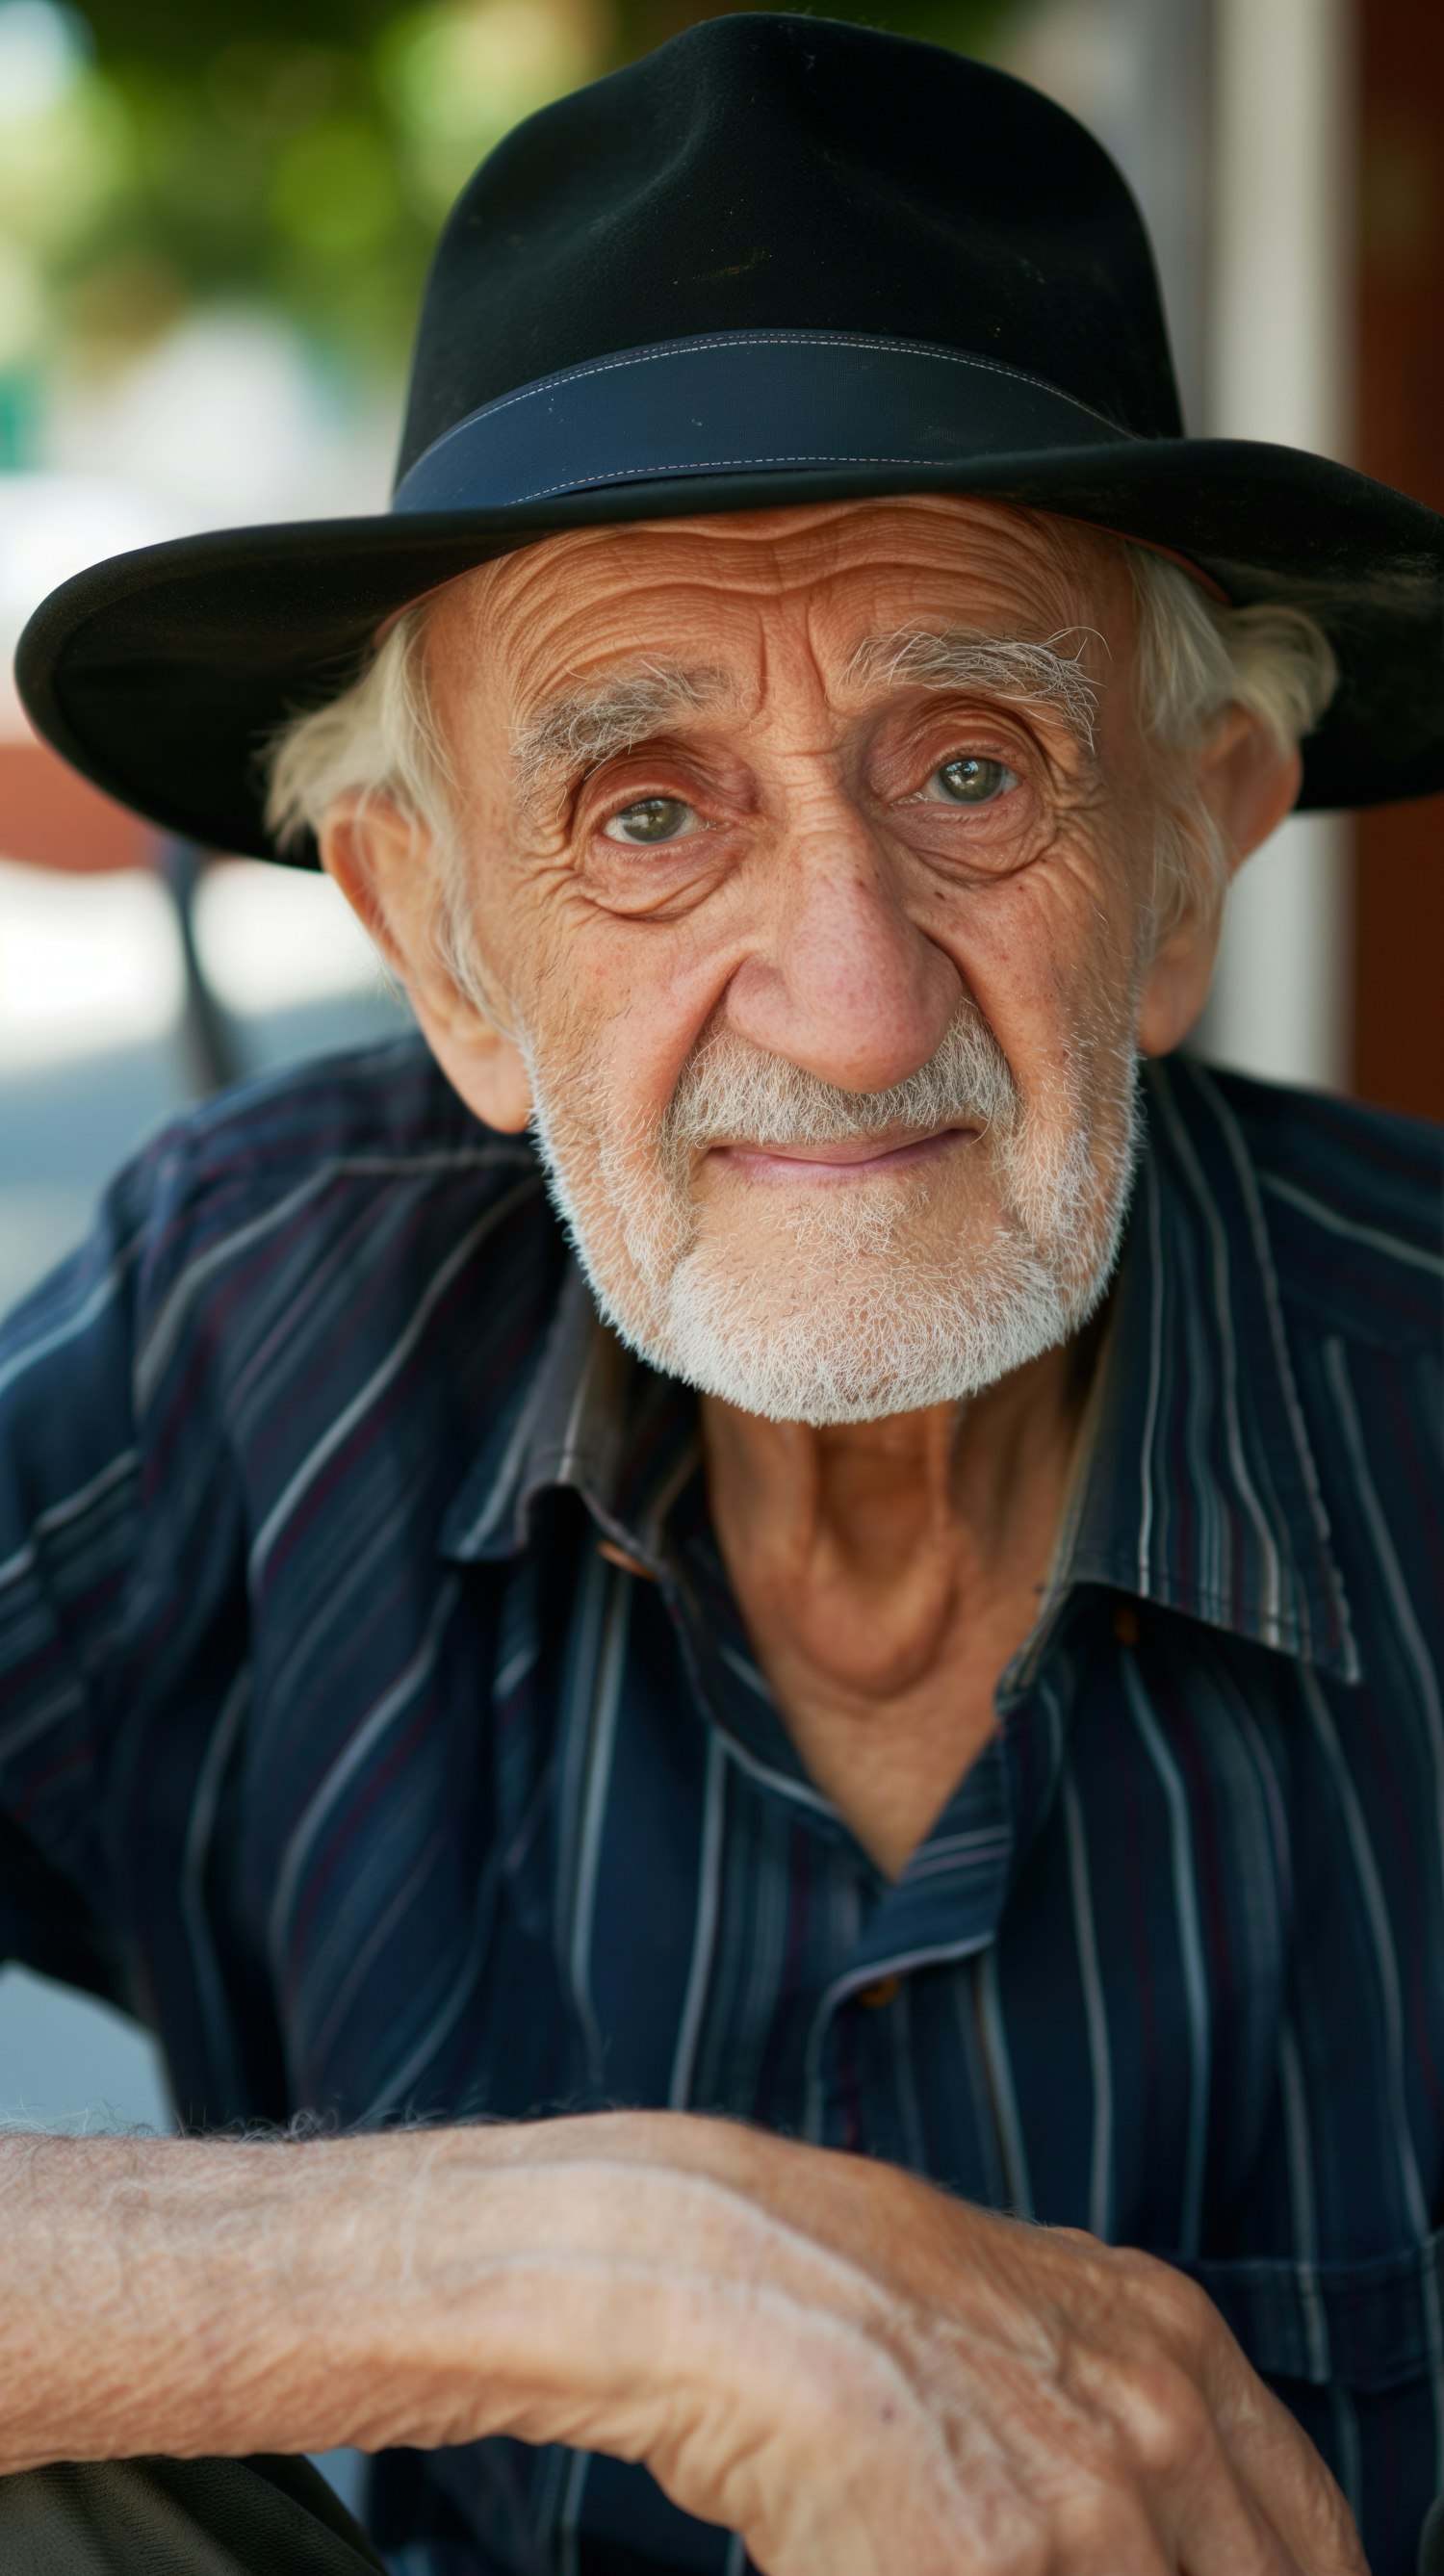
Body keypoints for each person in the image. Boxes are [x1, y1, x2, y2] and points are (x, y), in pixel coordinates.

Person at [3, 14, 1442, 2574]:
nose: (852, 999)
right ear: (437, 942)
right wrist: (583, 2268)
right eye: (646, 811)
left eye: (973, 768)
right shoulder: (250, 1327)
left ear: (1191, 863)